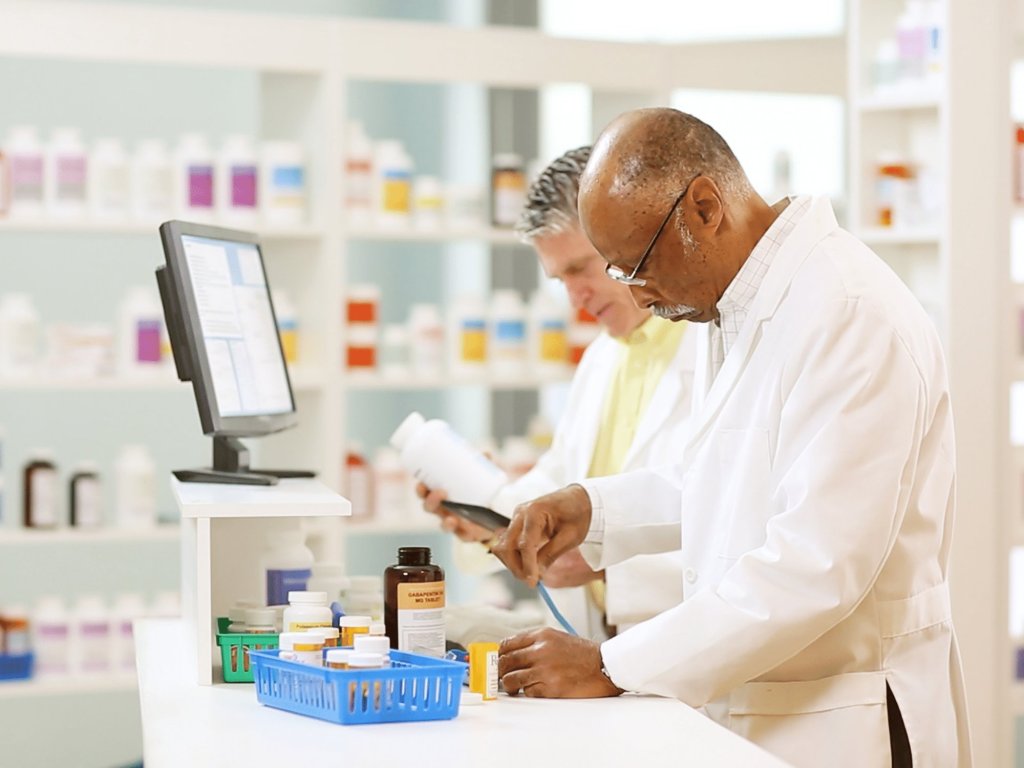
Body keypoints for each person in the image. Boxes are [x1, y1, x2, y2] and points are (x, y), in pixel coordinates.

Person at [490, 109, 971, 768]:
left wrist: (612, 666)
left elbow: (817, 565)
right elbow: (727, 475)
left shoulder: (849, 314)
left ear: (705, 207)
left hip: (848, 720)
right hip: (763, 711)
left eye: (637, 265)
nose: (637, 292)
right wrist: (592, 508)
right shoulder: (741, 304)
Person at [420, 145, 698, 639]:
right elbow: (560, 479)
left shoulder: (710, 349)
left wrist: (607, 566)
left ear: (625, 235)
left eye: (580, 269)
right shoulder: (603, 357)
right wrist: (490, 515)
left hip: (688, 649)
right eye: (559, 279)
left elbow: (729, 522)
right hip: (603, 642)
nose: (575, 299)